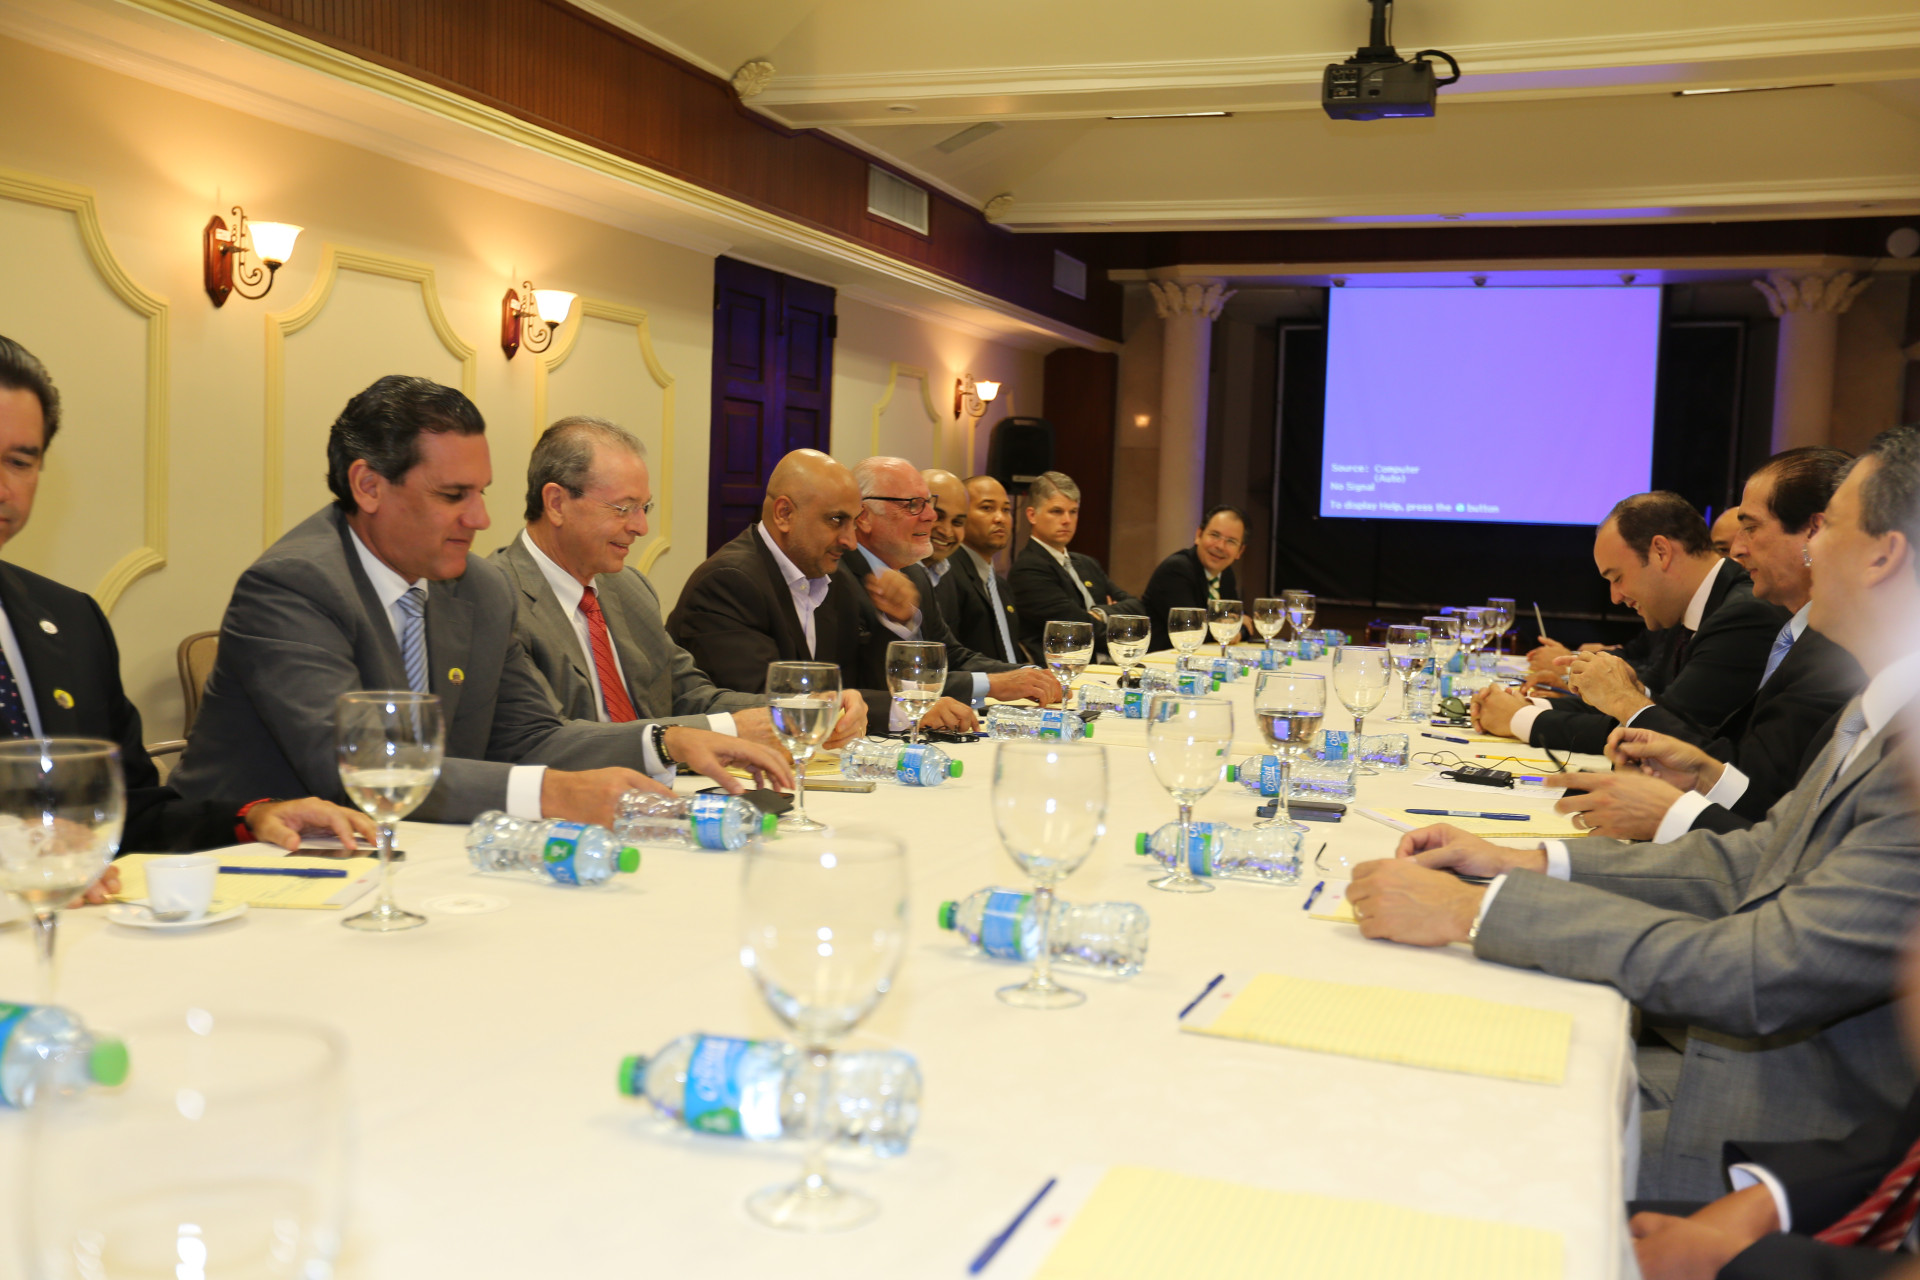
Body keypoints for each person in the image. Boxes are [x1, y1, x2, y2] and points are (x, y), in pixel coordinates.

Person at [1345, 425, 1920, 1203]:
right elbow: (1750, 862)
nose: (1808, 549)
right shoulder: (1880, 707)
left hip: (1786, 1135)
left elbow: (1758, 969)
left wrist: (1475, 911)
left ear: (1884, 555)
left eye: (1828, 529)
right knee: (1418, 1066)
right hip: (1740, 1079)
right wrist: (1527, 862)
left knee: (1435, 1140)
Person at [172, 376, 791, 828]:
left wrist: (666, 742)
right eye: (453, 495)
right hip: (245, 866)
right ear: (368, 486)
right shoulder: (294, 585)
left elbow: (530, 738)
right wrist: (552, 795)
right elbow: (362, 770)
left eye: (481, 492)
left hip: (420, 853)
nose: (481, 518)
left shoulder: (478, 589)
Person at [0, 335, 371, 868]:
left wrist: (252, 819)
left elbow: (134, 815)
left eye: (19, 461)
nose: (3, 487)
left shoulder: (70, 620)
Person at [1556, 449, 1862, 841]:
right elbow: (1754, 773)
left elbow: (1771, 808)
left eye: (1750, 528)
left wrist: (1672, 809)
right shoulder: (1801, 634)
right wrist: (1699, 772)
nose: (1736, 550)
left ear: (1813, 533)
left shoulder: (1838, 648)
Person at [492, 417, 828, 771]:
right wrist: (726, 730)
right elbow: (546, 741)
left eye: (644, 507)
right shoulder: (499, 599)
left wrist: (801, 711)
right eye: (624, 508)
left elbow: (690, 697)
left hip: (664, 789)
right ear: (557, 503)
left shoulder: (628, 588)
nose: (641, 527)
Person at [1630, 918, 1920, 1279]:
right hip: (1839, 1202)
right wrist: (1770, 1199)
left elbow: (1766, 968)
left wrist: (1733, 1260)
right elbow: (1905, 1144)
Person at [666, 449, 968, 734]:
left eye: (853, 521)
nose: (850, 541)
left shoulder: (833, 579)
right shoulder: (729, 582)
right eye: (836, 520)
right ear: (784, 513)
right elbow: (764, 705)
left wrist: (897, 621)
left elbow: (856, 684)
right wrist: (904, 711)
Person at [1475, 491, 1787, 754]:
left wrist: (1519, 720)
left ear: (1661, 552)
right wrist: (1530, 706)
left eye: (1618, 577)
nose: (1615, 597)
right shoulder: (1688, 607)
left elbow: (1661, 732)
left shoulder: (1743, 615)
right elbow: (1649, 706)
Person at [844, 457, 1058, 713]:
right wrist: (992, 684)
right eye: (914, 505)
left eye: (928, 503)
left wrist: (1027, 675)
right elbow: (861, 687)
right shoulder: (837, 577)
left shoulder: (915, 573)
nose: (930, 516)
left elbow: (951, 656)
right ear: (864, 516)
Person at [1010, 470, 1142, 661]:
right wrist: (1116, 620)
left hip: (1110, 664)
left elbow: (1137, 608)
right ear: (1032, 515)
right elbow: (1080, 631)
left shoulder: (1087, 563)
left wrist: (1100, 613)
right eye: (1057, 511)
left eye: (1073, 511)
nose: (1067, 520)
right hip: (1064, 670)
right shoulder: (1028, 570)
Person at [1141, 505, 1249, 652]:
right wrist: (1232, 628)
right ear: (1199, 535)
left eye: (1231, 541)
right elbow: (1191, 630)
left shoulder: (1226, 574)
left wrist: (1237, 629)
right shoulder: (1176, 569)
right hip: (1161, 659)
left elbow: (1241, 621)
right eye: (1214, 535)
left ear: (1240, 551)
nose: (1220, 546)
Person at [949, 473, 1023, 664]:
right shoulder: (947, 575)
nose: (1000, 518)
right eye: (987, 508)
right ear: (961, 515)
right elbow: (951, 657)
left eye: (1006, 510)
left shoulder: (1000, 585)